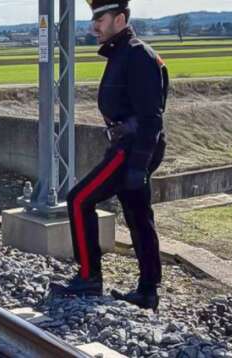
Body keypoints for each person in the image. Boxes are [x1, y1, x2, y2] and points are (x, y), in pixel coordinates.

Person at [50, 0, 169, 310]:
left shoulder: (137, 54)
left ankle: (89, 279)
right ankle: (147, 291)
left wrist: (138, 165)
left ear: (119, 18)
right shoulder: (123, 53)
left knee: (78, 200)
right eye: (94, 19)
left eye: (99, 19)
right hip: (129, 146)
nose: (94, 26)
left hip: (131, 148)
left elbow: (151, 117)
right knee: (138, 216)